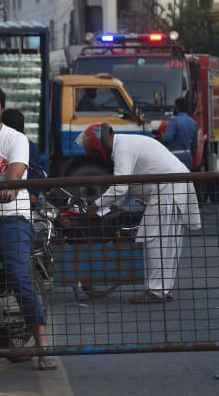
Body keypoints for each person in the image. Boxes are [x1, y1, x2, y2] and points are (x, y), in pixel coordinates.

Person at [0, 82, 56, 372]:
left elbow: (16, 170)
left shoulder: (14, 138)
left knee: (19, 276)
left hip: (11, 217)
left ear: (1, 109)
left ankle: (43, 346)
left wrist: (10, 187)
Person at [76, 122, 201, 302]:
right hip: (172, 186)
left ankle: (157, 291)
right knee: (168, 243)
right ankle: (164, 288)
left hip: (167, 188)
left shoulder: (122, 150)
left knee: (155, 239)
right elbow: (125, 190)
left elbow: (120, 189)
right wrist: (104, 208)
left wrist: (96, 205)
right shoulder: (126, 144)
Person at [160, 97, 199, 170]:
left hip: (174, 156)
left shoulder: (174, 121)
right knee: (186, 179)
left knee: (174, 179)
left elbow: (167, 138)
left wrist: (162, 136)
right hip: (188, 156)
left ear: (177, 108)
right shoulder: (193, 123)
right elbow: (195, 146)